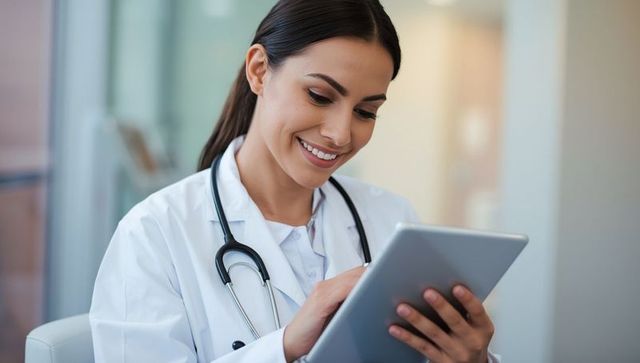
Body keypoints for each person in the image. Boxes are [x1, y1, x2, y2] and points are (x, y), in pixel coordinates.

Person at [90, 1, 500, 362]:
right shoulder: (155, 234)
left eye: (366, 112)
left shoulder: (392, 219)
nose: (341, 134)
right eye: (320, 96)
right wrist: (284, 346)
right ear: (259, 71)